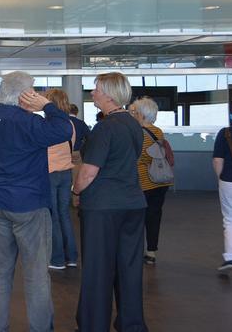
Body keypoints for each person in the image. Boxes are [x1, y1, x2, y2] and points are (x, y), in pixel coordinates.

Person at [0, 72, 71, 332]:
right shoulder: (30, 122)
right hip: (29, 204)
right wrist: (48, 106)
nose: (38, 94)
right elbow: (64, 130)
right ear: (25, 96)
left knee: (0, 271)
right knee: (36, 274)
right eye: (34, 90)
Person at [73, 72, 148, 332]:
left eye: (96, 89)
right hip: (133, 203)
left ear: (108, 94)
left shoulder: (105, 128)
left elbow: (88, 172)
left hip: (103, 207)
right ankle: (132, 324)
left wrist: (75, 190)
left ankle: (93, 324)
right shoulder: (134, 125)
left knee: (97, 268)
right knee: (129, 267)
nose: (92, 93)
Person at [129, 97, 173, 265]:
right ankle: (151, 251)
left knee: (137, 218)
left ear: (141, 114)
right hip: (160, 181)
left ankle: (135, 250)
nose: (133, 115)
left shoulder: (138, 133)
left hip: (143, 182)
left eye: (135, 112)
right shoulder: (158, 131)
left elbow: (137, 157)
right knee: (154, 216)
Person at [44, 89, 78, 271]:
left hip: (50, 173)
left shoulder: (47, 124)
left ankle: (56, 259)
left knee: (53, 216)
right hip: (66, 172)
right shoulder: (69, 124)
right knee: (64, 214)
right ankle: (71, 257)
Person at [213, 115, 232, 274]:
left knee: (231, 219)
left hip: (230, 181)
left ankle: (231, 258)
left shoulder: (226, 133)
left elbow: (217, 160)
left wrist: (220, 178)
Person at [68, 104, 91, 208]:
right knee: (76, 177)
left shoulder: (64, 122)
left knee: (65, 177)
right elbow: (90, 137)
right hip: (76, 152)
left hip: (63, 153)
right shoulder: (81, 123)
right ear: (76, 112)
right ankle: (75, 201)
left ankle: (64, 201)